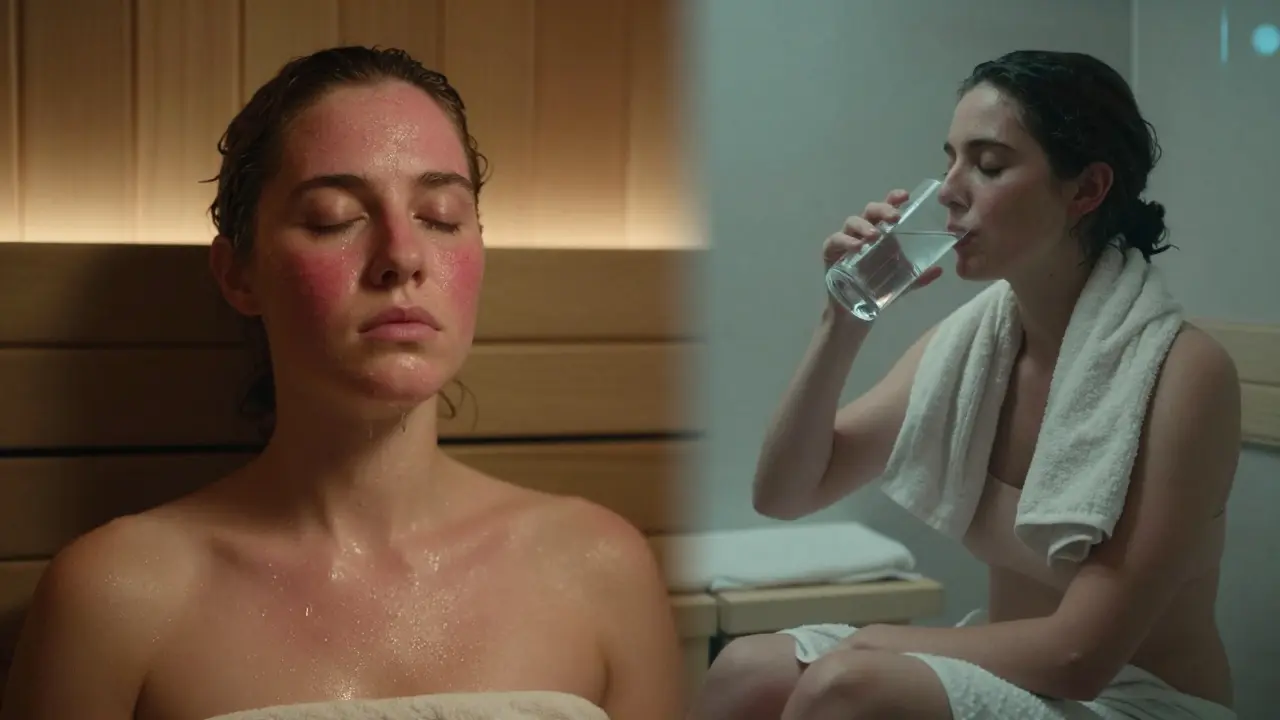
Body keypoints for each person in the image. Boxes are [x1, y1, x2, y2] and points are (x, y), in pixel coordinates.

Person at [1, 46, 682, 720]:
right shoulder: (117, 598)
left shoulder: (599, 569)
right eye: (334, 218)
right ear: (239, 274)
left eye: (441, 217)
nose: (402, 257)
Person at [690, 50, 1240, 720]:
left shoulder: (1182, 372)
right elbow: (784, 493)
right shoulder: (975, 346)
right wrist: (843, 316)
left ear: (1086, 190)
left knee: (847, 689)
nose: (949, 188)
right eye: (950, 159)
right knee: (746, 668)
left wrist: (870, 643)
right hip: (1022, 678)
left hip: (1136, 700)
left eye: (988, 164)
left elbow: (1082, 658)